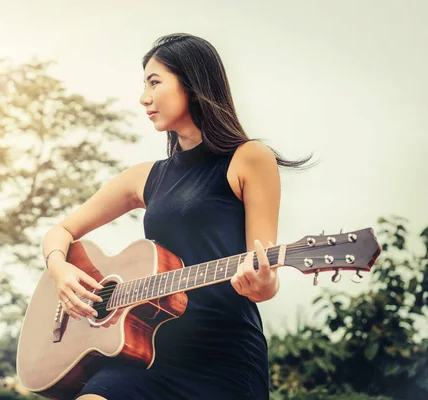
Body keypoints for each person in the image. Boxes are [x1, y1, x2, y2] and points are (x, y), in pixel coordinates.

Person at [41, 33, 314, 400]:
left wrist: (264, 285)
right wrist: (59, 268)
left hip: (223, 356)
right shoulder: (143, 177)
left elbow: (265, 274)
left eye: (155, 82)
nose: (144, 98)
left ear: (193, 83)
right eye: (144, 85)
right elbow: (61, 230)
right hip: (145, 357)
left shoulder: (250, 158)